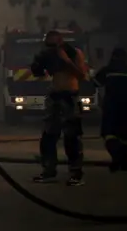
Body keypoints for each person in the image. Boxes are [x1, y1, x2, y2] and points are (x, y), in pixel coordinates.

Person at [30, 30, 89, 186]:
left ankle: (76, 173)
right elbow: (39, 72)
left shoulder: (74, 53)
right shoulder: (50, 55)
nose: (51, 48)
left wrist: (66, 61)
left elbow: (81, 75)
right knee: (48, 137)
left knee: (72, 138)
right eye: (49, 44)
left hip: (70, 97)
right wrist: (38, 65)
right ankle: (49, 171)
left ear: (61, 41)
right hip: (55, 97)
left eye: (54, 44)